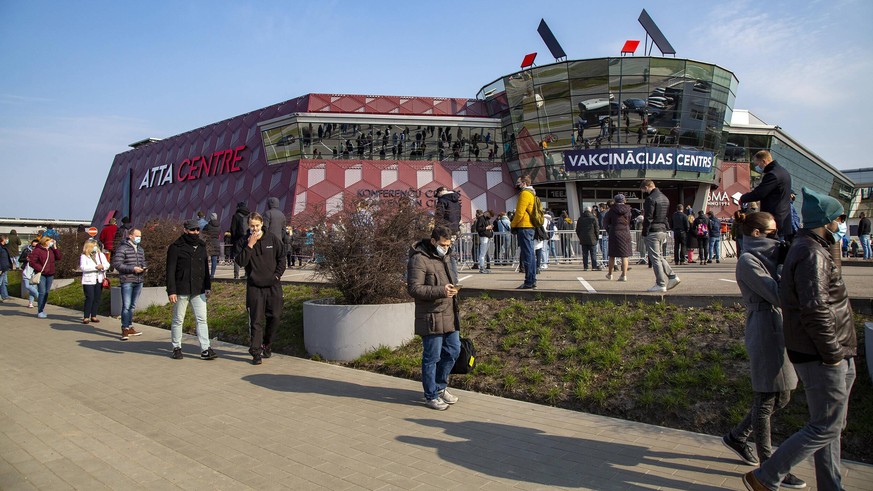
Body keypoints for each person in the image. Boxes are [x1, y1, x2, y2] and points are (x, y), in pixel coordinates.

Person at [743, 187, 857, 491]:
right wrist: (833, 352)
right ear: (828, 220)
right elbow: (814, 308)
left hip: (832, 349)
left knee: (831, 426)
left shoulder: (815, 247)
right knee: (824, 424)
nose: (841, 224)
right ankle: (766, 475)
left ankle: (829, 485)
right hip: (825, 352)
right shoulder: (809, 252)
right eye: (840, 219)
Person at [721, 212, 805, 489]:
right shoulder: (749, 260)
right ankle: (770, 467)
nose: (778, 237)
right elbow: (778, 294)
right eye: (772, 232)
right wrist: (789, 266)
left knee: (783, 396)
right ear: (756, 234)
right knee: (767, 397)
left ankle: (737, 436)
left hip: (778, 324)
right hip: (764, 326)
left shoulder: (771, 257)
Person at [406, 225, 461, 411]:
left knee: (454, 350)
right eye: (443, 244)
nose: (446, 248)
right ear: (433, 241)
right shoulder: (419, 259)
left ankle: (440, 387)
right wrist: (441, 291)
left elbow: (452, 280)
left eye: (449, 244)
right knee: (432, 357)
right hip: (431, 315)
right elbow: (414, 288)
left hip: (449, 313)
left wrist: (454, 289)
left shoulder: (447, 256)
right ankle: (430, 395)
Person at [235, 212, 286, 365]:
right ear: (248, 225)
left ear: (262, 224)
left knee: (275, 317)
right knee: (256, 320)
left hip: (273, 286)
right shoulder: (244, 241)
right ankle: (256, 352)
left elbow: (282, 258)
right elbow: (241, 261)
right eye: (252, 226)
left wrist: (277, 275)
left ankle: (267, 344)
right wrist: (250, 244)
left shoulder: (272, 239)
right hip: (255, 287)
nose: (255, 229)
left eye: (257, 225)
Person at [166, 219, 217, 360]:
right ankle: (176, 347)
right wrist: (171, 291)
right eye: (192, 230)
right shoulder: (175, 247)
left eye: (197, 230)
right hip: (181, 288)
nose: (195, 233)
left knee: (202, 319)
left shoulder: (201, 245)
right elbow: (170, 271)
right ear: (185, 230)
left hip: (199, 288)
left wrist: (207, 286)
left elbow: (205, 268)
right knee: (178, 319)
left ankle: (205, 349)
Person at [740, 150, 793, 241]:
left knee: (773, 251)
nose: (757, 167)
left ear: (764, 161)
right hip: (784, 219)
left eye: (757, 164)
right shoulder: (783, 172)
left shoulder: (773, 175)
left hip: (774, 221)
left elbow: (760, 193)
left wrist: (743, 198)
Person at [640, 180, 680, 292]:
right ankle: (672, 276)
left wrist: (644, 232)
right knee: (658, 256)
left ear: (648, 187)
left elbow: (648, 218)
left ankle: (660, 283)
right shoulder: (665, 198)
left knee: (655, 259)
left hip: (653, 231)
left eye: (643, 189)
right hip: (662, 229)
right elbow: (665, 215)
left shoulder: (650, 199)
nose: (643, 191)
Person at [112, 228, 146, 340]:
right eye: (137, 235)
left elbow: (143, 261)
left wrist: (144, 267)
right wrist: (132, 269)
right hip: (127, 279)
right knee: (126, 305)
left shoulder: (140, 249)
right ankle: (125, 328)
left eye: (140, 236)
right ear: (131, 236)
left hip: (139, 280)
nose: (139, 238)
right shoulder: (123, 248)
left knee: (132, 306)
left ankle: (130, 326)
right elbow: (117, 264)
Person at [509, 175, 537, 289]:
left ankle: (529, 281)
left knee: (527, 254)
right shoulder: (532, 194)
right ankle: (531, 279)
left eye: (519, 182)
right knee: (530, 253)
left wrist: (512, 225)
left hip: (524, 227)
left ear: (524, 183)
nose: (517, 184)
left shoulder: (525, 194)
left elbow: (519, 213)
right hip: (529, 227)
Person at [28, 235, 62, 318]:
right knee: (42, 292)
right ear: (45, 241)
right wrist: (40, 269)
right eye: (49, 241)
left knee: (46, 292)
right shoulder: (38, 250)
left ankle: (42, 308)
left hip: (50, 274)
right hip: (42, 274)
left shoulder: (51, 250)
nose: (51, 242)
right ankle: (40, 310)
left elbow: (58, 257)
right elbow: (32, 262)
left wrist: (55, 247)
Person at [79, 239, 110, 324]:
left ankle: (94, 315)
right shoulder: (84, 256)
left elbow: (107, 264)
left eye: (96, 246)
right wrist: (96, 267)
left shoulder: (100, 255)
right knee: (90, 297)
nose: (95, 248)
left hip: (99, 279)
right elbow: (83, 267)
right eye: (93, 246)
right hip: (88, 280)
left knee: (97, 298)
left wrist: (103, 266)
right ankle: (86, 316)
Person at [603, 194, 632, 282]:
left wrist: (609, 230)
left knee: (612, 255)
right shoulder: (628, 210)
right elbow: (629, 221)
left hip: (614, 232)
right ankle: (624, 275)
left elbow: (605, 223)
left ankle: (610, 274)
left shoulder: (611, 210)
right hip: (625, 232)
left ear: (615, 201)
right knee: (624, 255)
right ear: (624, 200)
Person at [230, 201, 250, 279]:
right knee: (247, 255)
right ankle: (246, 274)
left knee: (237, 256)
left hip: (238, 239)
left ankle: (236, 275)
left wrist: (233, 238)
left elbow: (233, 228)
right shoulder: (249, 215)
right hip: (247, 238)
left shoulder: (236, 216)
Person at [19, 239, 39, 308]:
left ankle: (31, 302)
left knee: (33, 287)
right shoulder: (26, 250)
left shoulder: (39, 252)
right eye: (33, 246)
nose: (34, 248)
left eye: (36, 246)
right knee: (28, 286)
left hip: (35, 271)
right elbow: (20, 259)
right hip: (26, 271)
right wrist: (26, 259)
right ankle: (39, 297)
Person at [201, 213, 221, 278]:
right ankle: (212, 274)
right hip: (216, 242)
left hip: (209, 242)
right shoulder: (219, 226)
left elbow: (203, 233)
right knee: (214, 259)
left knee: (205, 258)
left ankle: (206, 273)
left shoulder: (208, 226)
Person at [0, 236, 11, 301]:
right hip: (2, 268)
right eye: (6, 239)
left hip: (5, 268)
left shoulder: (4, 247)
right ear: (3, 239)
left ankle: (4, 295)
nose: (7, 240)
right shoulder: (1, 248)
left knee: (4, 282)